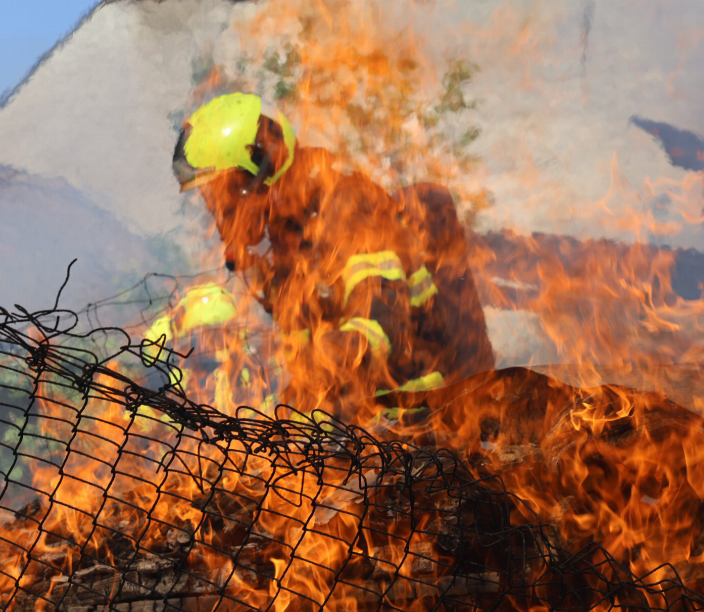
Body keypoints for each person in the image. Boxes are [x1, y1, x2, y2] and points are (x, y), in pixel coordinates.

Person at [171, 92, 494, 419]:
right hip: (368, 428)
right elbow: (301, 366)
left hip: (429, 416)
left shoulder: (349, 207)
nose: (219, 216)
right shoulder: (288, 246)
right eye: (212, 203)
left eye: (223, 199)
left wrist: (315, 382)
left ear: (263, 170)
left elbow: (380, 329)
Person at [143, 281, 273, 415]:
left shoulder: (252, 373)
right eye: (206, 336)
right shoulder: (167, 377)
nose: (211, 346)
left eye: (218, 337)